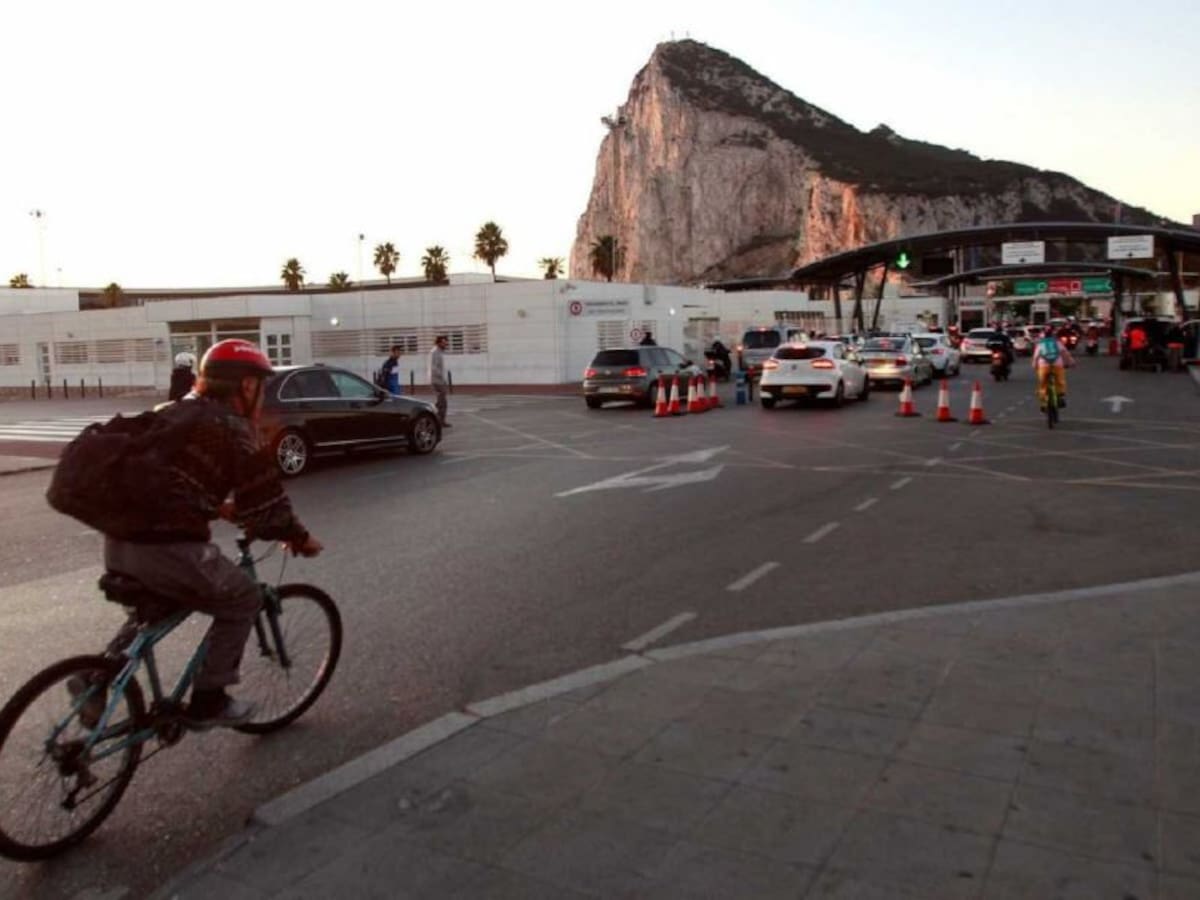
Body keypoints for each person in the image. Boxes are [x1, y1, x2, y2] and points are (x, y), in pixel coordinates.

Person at [84, 339, 322, 728]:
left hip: (119, 543)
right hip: (166, 551)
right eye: (262, 387)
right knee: (244, 599)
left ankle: (95, 680)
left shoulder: (171, 412)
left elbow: (169, 483)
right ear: (247, 386)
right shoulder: (232, 427)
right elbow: (268, 503)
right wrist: (300, 538)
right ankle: (210, 699)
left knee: (159, 606)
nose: (262, 397)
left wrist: (218, 507)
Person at [1032, 328, 1073, 411]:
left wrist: (1035, 366)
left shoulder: (1040, 344)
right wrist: (1071, 362)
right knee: (1060, 381)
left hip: (1043, 366)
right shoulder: (1057, 342)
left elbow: (1036, 357)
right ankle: (1060, 396)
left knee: (1043, 384)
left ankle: (1043, 403)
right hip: (1057, 365)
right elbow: (1065, 353)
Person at [429, 334, 451, 428]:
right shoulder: (435, 352)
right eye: (444, 343)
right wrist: (442, 377)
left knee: (440, 402)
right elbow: (434, 368)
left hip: (439, 380)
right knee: (442, 403)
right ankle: (439, 421)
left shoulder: (439, 352)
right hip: (437, 381)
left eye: (446, 343)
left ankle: (436, 419)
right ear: (438, 343)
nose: (445, 344)